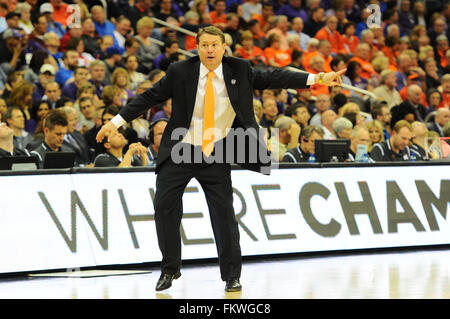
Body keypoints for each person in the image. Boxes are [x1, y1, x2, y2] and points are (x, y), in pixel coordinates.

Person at [95, 26, 345, 293]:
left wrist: (318, 77)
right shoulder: (180, 71)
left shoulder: (240, 69)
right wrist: (114, 122)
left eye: (215, 45)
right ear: (197, 47)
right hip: (181, 148)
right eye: (205, 45)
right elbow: (149, 96)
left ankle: (231, 276)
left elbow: (275, 76)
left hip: (217, 151)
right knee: (164, 207)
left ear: (224, 47)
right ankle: (170, 269)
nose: (210, 50)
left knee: (224, 214)